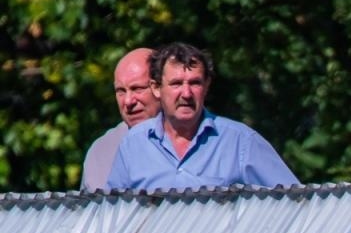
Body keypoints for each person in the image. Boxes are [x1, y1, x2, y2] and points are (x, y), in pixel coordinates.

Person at [106, 42, 298, 191]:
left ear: (207, 86)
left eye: (195, 83)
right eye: (176, 84)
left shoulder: (241, 143)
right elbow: (111, 218)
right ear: (156, 88)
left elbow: (294, 204)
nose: (186, 93)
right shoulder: (133, 145)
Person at [82, 48, 158, 190]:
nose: (128, 101)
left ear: (160, 88)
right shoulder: (101, 151)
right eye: (121, 91)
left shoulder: (188, 140)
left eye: (137, 89)